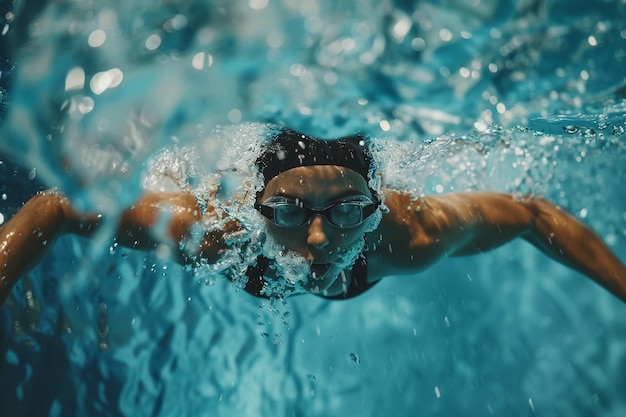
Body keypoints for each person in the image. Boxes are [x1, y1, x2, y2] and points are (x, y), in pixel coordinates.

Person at [1, 127, 625, 305]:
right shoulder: (214, 229)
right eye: (289, 212)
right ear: (255, 204)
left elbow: (532, 213)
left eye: (351, 211)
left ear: (375, 205)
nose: (322, 236)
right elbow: (54, 209)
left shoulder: (411, 233)